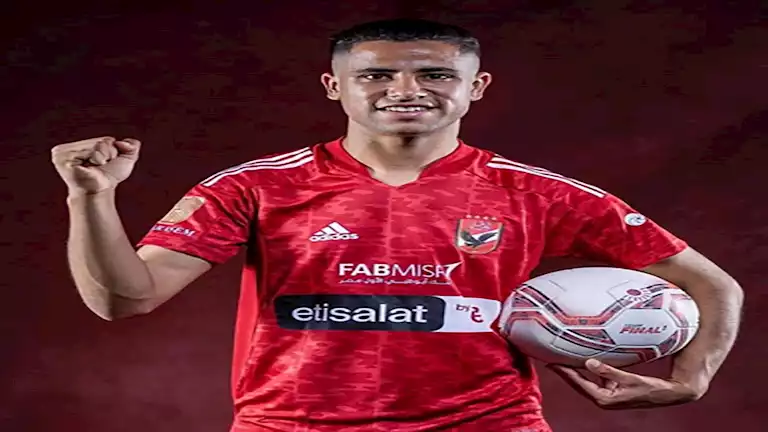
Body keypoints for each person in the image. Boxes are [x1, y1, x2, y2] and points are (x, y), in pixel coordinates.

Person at [51, 18, 743, 432]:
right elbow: (124, 298)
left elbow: (714, 286)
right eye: (376, 76)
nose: (405, 90)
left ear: (475, 87)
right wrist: (91, 197)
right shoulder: (256, 185)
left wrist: (692, 377)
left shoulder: (538, 192)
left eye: (435, 75)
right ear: (336, 86)